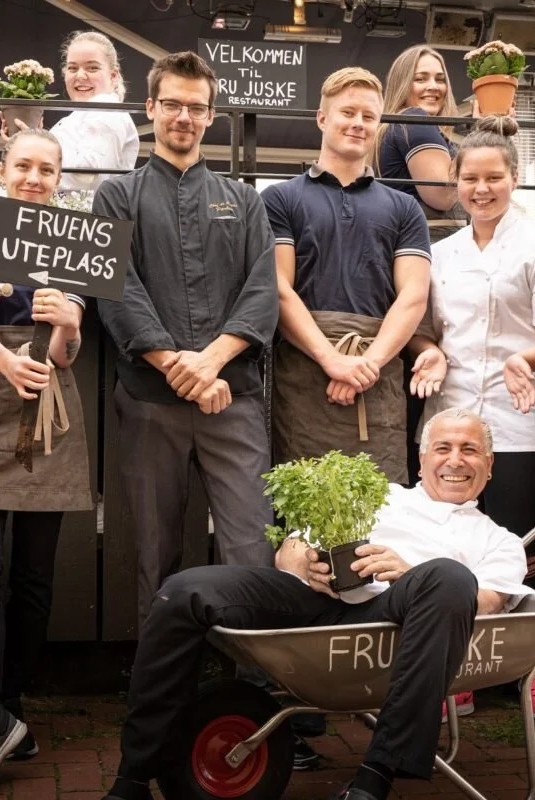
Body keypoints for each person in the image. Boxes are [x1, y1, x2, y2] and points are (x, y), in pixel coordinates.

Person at [98, 408, 535, 800]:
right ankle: (133, 778)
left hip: (396, 615)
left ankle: (375, 776)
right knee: (184, 589)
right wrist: (306, 564)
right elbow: (287, 549)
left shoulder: (499, 540)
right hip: (316, 603)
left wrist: (408, 573)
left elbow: (488, 601)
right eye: (443, 448)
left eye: (470, 450)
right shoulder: (375, 494)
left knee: (449, 575)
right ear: (422, 461)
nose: (455, 460)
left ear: (489, 466)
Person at [93, 51, 279, 624]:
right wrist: (180, 367)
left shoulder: (244, 199)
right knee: (155, 552)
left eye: (196, 107)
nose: (183, 116)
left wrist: (212, 363)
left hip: (234, 401)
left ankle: (262, 684)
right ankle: (161, 692)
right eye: (172, 104)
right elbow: (115, 289)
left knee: (253, 545)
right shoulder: (115, 196)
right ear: (150, 108)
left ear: (210, 115)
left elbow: (262, 290)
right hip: (150, 404)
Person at [0, 128, 94, 799]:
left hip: (46, 407)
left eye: (47, 169)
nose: (35, 177)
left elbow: (66, 354)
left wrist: (65, 322)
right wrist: (4, 360)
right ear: (2, 170)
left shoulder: (72, 239)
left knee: (33, 578)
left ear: (59, 178)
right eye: (24, 165)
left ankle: (9, 708)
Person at [410, 114, 535, 722]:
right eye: (470, 178)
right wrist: (424, 352)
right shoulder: (440, 251)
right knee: (449, 543)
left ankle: (534, 669)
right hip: (450, 415)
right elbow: (427, 331)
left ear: (515, 177)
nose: (482, 189)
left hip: (520, 420)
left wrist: (525, 359)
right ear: (455, 181)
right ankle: (461, 669)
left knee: (519, 547)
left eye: (494, 177)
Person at [263, 67, 431, 486]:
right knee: (302, 502)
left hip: (379, 372)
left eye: (369, 116)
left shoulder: (405, 208)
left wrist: (367, 364)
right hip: (305, 373)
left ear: (378, 126)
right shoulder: (280, 199)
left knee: (383, 508)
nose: (358, 124)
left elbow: (413, 296)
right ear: (322, 118)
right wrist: (331, 359)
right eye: (347, 112)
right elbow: (279, 290)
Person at [1, 30, 139, 199]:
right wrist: (32, 141)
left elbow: (87, 176)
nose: (80, 75)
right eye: (73, 68)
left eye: (92, 68)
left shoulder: (107, 111)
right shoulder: (79, 116)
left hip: (86, 221)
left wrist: (40, 147)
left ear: (113, 75)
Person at [373, 44, 466, 242]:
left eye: (440, 79)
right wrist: (482, 135)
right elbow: (443, 196)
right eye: (420, 79)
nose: (433, 86)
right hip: (430, 249)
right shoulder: (413, 120)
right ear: (402, 84)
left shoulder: (391, 127)